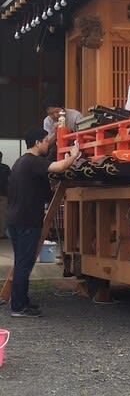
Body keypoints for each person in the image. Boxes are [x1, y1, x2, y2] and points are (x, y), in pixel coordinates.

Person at [7, 127, 80, 317]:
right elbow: (58, 167)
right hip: (26, 221)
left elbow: (45, 191)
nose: (48, 143)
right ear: (38, 143)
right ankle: (18, 307)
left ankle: (21, 301)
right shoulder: (33, 162)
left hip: (16, 219)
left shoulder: (21, 162)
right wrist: (73, 155)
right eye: (46, 141)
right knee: (24, 263)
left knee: (23, 261)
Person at [0, 152, 11, 238]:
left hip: (4, 194)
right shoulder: (5, 167)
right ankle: (2, 233)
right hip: (3, 194)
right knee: (3, 215)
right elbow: (11, 180)